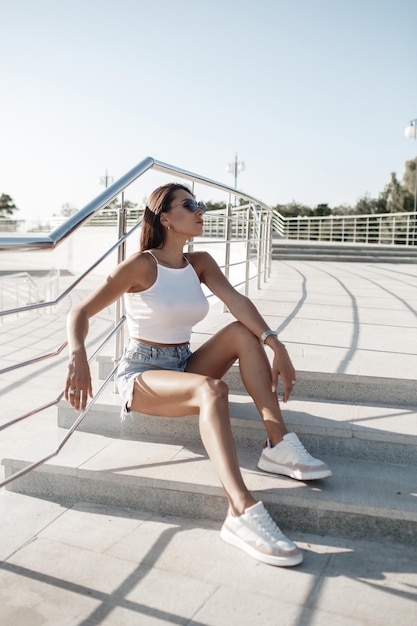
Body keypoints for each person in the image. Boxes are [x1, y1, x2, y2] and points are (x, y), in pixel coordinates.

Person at [65, 182, 331, 568]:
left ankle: (278, 443)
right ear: (166, 218)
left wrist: (277, 345)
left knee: (243, 333)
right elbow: (80, 312)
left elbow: (238, 303)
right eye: (189, 205)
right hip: (143, 374)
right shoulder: (143, 264)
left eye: (200, 204)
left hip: (183, 362)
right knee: (213, 390)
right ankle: (241, 510)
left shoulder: (200, 262)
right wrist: (79, 354)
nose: (200, 210)